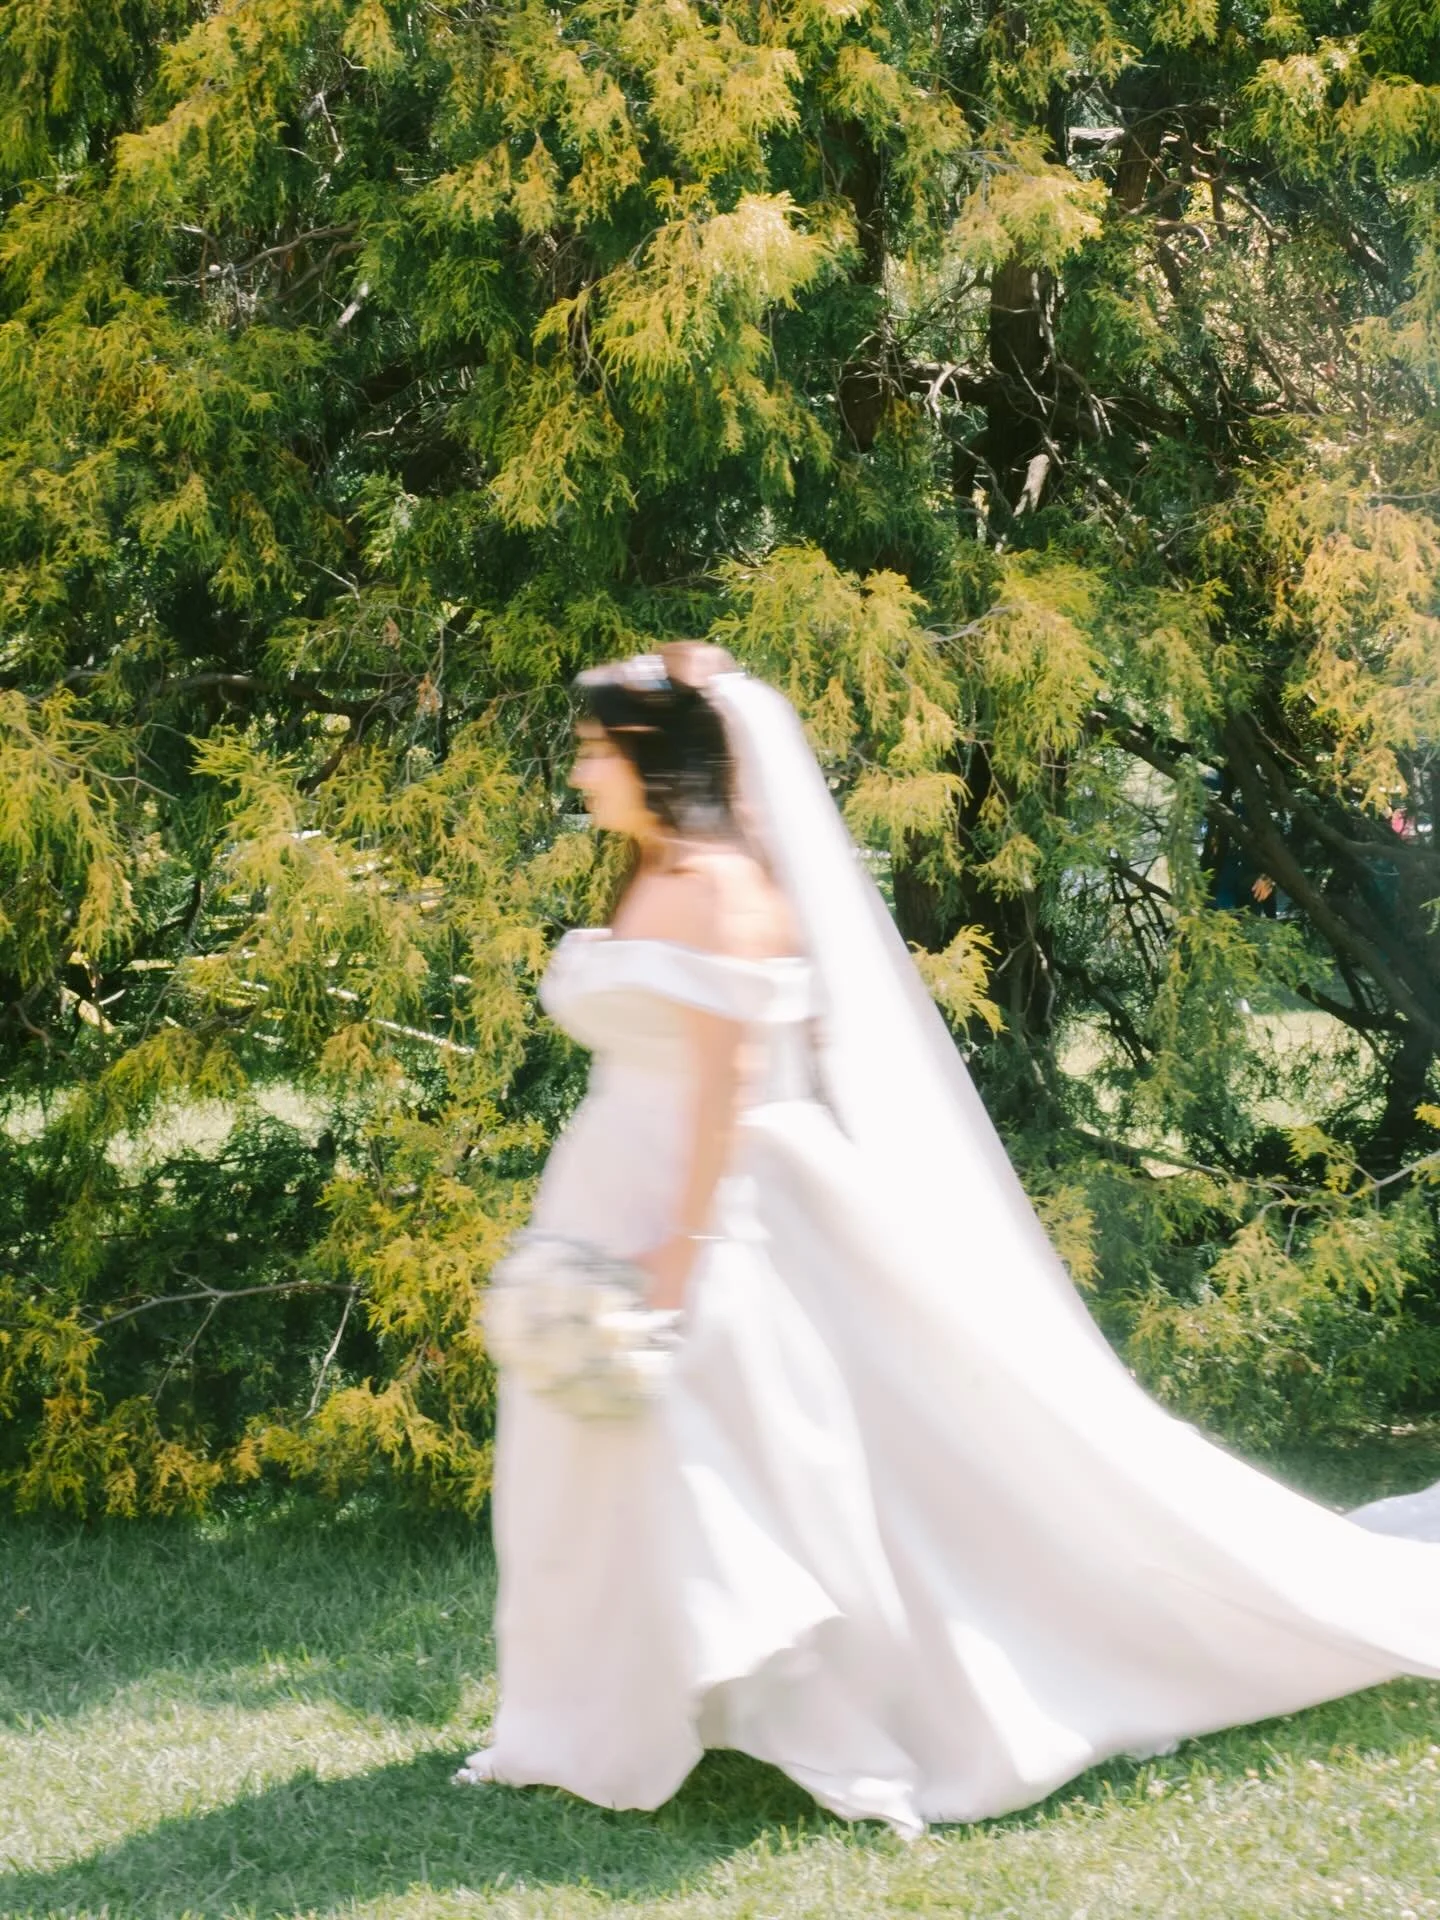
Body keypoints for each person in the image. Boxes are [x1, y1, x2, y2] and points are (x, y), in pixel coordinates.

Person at [454, 647, 1440, 1835]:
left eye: (595, 747)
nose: (581, 767)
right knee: (623, 1460)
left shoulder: (717, 889)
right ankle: (622, 1705)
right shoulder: (658, 874)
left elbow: (724, 1093)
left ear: (655, 763)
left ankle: (824, 1706)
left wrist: (677, 1249)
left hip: (715, 1208)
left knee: (733, 1459)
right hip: (620, 1191)